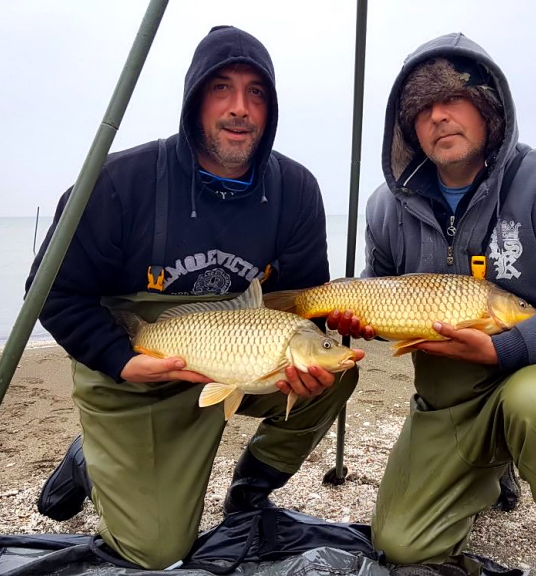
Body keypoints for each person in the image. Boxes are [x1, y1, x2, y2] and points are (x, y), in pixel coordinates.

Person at [26, 25, 362, 570]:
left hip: (242, 363)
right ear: (193, 100)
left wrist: (315, 349)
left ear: (270, 109)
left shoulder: (296, 191)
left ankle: (250, 490)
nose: (240, 109)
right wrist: (122, 361)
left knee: (334, 373)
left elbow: (299, 306)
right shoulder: (118, 182)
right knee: (155, 552)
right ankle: (93, 457)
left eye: (256, 93)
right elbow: (53, 294)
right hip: (135, 372)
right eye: (221, 89)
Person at [329, 33, 536, 575]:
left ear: (489, 108)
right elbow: (379, 291)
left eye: (452, 99)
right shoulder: (386, 206)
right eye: (422, 108)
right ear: (407, 127)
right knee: (402, 548)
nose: (438, 117)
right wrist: (359, 321)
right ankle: (489, 469)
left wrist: (509, 347)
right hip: (448, 401)